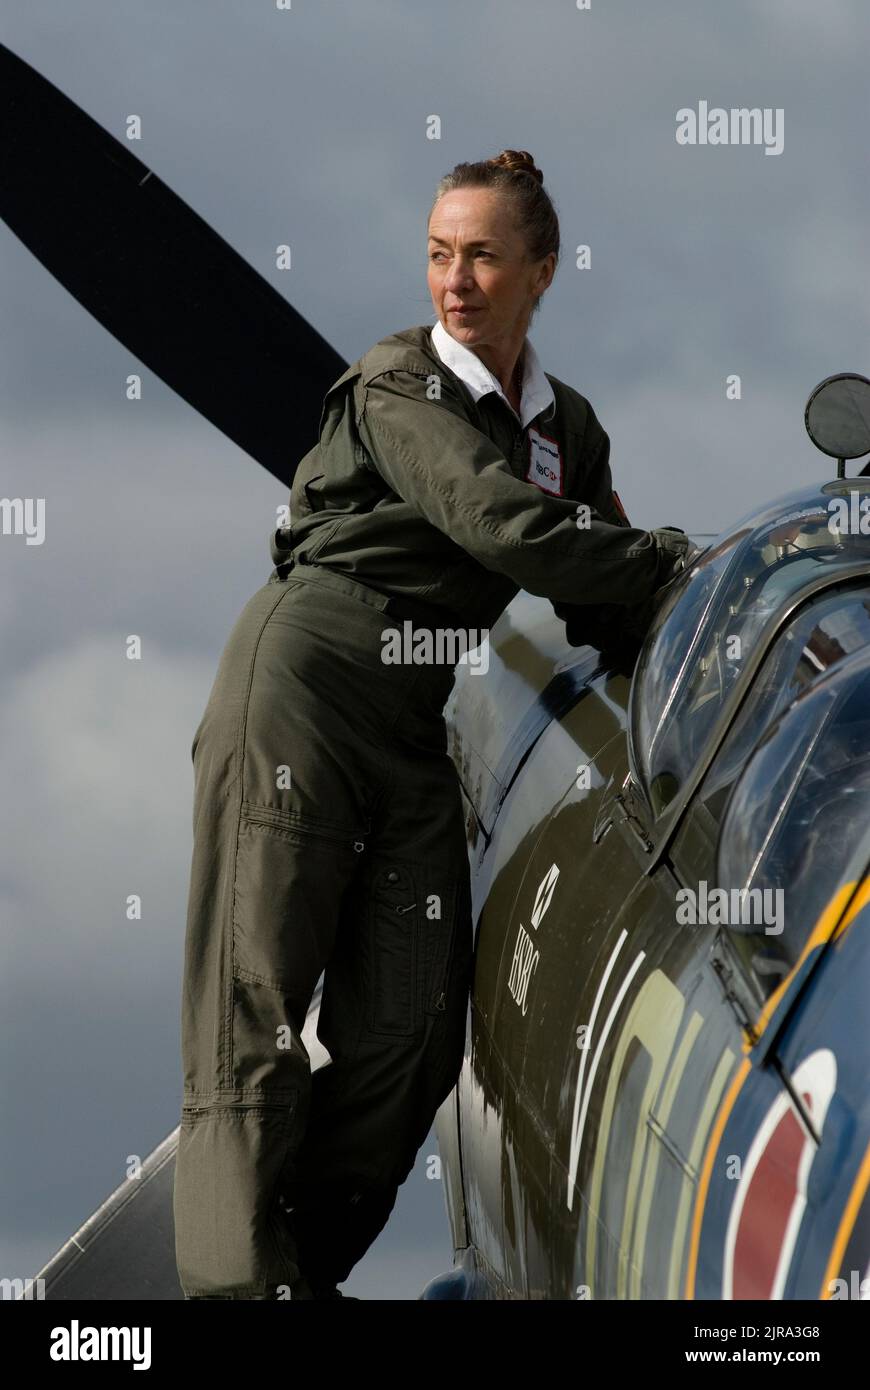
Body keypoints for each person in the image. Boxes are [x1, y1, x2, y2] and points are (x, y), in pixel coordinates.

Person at [172, 148, 694, 1300]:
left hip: (416, 726)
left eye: (483, 256)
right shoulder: (397, 385)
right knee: (252, 1008)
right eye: (438, 255)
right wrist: (670, 557)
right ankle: (231, 1292)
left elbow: (604, 587)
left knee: (413, 1034)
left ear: (542, 270)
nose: (454, 281)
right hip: (302, 689)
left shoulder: (567, 429)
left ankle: (299, 1267)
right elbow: (498, 524)